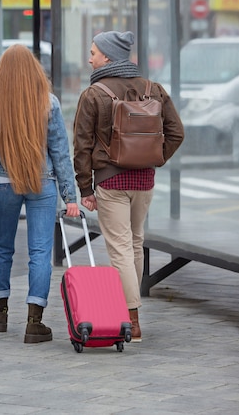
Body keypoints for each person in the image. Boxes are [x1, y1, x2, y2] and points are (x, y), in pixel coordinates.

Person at [73, 31, 184, 342]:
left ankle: (131, 320)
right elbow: (177, 132)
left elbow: (81, 146)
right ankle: (131, 310)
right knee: (135, 243)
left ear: (108, 57)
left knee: (120, 248)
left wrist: (85, 188)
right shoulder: (153, 89)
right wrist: (157, 157)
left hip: (111, 181)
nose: (90, 57)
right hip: (144, 180)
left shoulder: (94, 94)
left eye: (93, 52)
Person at [0, 44, 79, 344]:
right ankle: (35, 321)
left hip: (4, 182)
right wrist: (70, 197)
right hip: (43, 184)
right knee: (41, 251)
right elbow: (60, 153)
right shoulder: (49, 102)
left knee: (1, 247)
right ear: (34, 71)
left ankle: (0, 314)